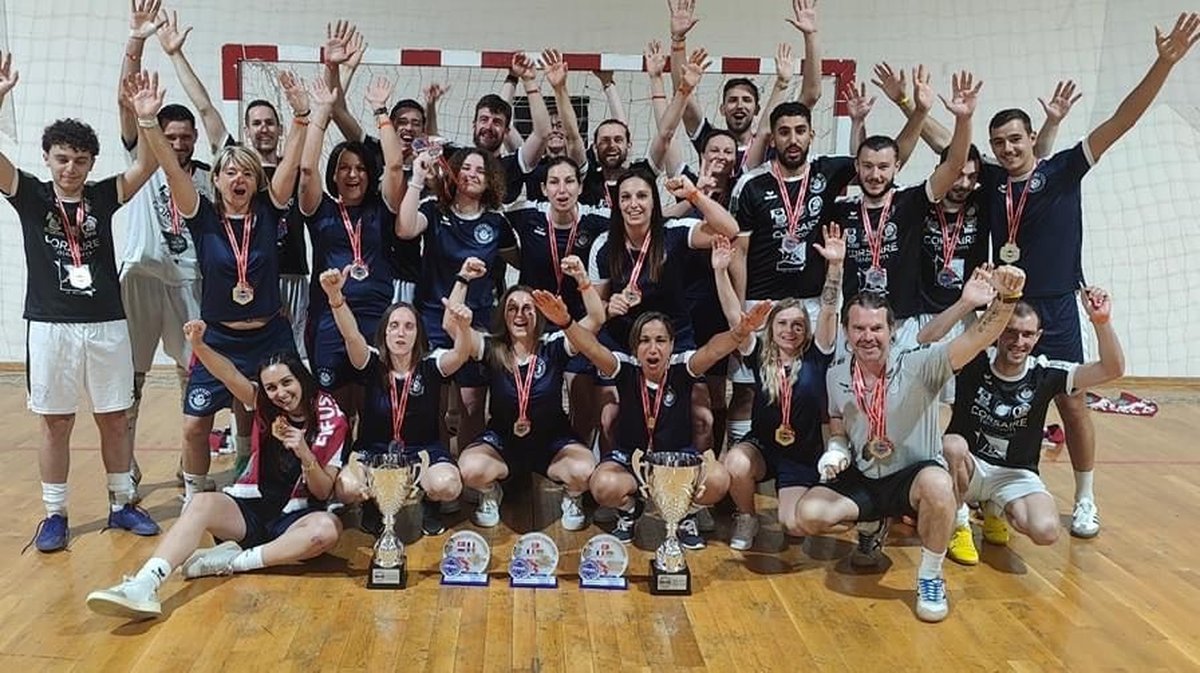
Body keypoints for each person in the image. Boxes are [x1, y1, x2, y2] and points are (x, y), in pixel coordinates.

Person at [881, 13, 1199, 537]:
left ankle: (1087, 497)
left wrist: (1162, 65)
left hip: (1054, 306)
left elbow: (1122, 119)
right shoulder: (987, 183)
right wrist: (906, 103)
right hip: (1000, 309)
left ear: (1032, 139)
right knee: (979, 401)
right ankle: (976, 494)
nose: (1007, 149)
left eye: (1014, 140)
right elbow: (950, 146)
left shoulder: (1065, 169)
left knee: (1072, 403)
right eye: (999, 142)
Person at [792, 264, 1028, 623]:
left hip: (913, 477)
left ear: (893, 330)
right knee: (808, 515)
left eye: (876, 328)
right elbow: (839, 422)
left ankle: (931, 576)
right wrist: (836, 449)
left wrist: (1007, 299)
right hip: (866, 477)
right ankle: (872, 526)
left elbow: (979, 337)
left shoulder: (922, 364)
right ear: (846, 332)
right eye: (858, 328)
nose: (867, 336)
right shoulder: (836, 374)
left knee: (938, 485)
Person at [1, 57, 160, 552]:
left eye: (80, 160)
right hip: (50, 326)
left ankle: (121, 503)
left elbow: (149, 164)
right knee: (56, 422)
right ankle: (54, 514)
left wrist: (145, 117)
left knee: (114, 417)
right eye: (62, 159)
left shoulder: (103, 195)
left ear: (91, 163)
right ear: (47, 158)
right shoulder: (28, 194)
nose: (71, 169)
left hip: (107, 323)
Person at [85, 322, 348, 621]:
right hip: (252, 510)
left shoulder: (329, 416)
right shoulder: (265, 404)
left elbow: (323, 490)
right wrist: (198, 346)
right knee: (200, 503)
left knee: (326, 531)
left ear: (301, 378)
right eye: (272, 387)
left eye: (287, 383)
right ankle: (144, 584)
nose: (281, 393)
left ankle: (235, 562)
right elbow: (229, 374)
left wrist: (303, 452)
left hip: (296, 520)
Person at [135, 68, 309, 504]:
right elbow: (173, 170)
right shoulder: (202, 216)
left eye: (246, 173)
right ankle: (196, 496)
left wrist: (303, 117)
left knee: (275, 417)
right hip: (219, 341)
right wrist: (148, 121)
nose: (238, 179)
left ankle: (268, 484)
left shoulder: (270, 212)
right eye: (229, 172)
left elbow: (289, 162)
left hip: (270, 335)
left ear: (256, 181)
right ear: (215, 180)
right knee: (195, 424)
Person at [560, 300, 771, 546]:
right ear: (635, 347)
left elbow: (713, 350)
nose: (653, 348)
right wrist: (566, 322)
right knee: (603, 485)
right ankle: (629, 511)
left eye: (660, 340)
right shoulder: (625, 368)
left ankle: (684, 514)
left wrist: (739, 332)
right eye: (644, 340)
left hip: (678, 462)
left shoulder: (683, 368)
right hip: (631, 460)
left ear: (671, 345)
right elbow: (592, 348)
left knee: (718, 479)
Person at [931, 282, 1124, 548]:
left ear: (1037, 337)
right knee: (951, 446)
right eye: (1010, 332)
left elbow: (1112, 369)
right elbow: (926, 341)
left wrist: (1101, 322)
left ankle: (995, 507)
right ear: (998, 332)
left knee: (1046, 531)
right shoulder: (972, 360)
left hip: (1014, 474)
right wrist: (965, 303)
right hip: (970, 467)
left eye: (1027, 334)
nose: (1018, 342)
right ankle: (960, 520)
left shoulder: (1045, 373)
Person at [117, 1, 212, 484]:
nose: (177, 144)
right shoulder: (143, 154)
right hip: (140, 276)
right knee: (131, 378)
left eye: (184, 137)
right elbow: (124, 99)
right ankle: (126, 464)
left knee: (192, 373)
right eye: (170, 135)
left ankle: (188, 463)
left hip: (188, 280)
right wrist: (137, 41)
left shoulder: (208, 179)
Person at [318, 268, 476, 537]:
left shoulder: (431, 363)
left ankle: (430, 502)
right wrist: (335, 296)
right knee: (345, 489)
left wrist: (463, 327)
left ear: (418, 333)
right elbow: (351, 335)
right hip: (373, 450)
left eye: (409, 326)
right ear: (385, 333)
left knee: (449, 485)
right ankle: (373, 504)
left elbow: (460, 354)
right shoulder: (370, 362)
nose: (401, 333)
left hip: (421, 451)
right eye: (394, 326)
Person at [829, 68, 980, 349]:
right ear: (857, 168)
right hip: (855, 323)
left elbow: (953, 164)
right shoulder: (840, 210)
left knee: (906, 393)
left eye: (884, 167)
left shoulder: (910, 202)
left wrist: (964, 119)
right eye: (868, 167)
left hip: (904, 325)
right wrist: (857, 124)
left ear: (896, 167)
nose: (875, 175)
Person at [449, 260, 605, 530]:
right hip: (503, 442)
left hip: (552, 443)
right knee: (469, 468)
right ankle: (490, 492)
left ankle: (573, 496)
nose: (520, 315)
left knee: (585, 470)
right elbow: (452, 326)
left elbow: (597, 318)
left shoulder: (554, 345)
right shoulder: (492, 348)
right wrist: (463, 279)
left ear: (540, 314)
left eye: (527, 308)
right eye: (512, 308)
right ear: (504, 315)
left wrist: (582, 278)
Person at [715, 226, 842, 550]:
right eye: (783, 323)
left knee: (794, 528)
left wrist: (835, 267)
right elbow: (734, 318)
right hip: (763, 448)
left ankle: (821, 497)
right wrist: (720, 272)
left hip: (801, 456)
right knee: (736, 463)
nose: (790, 330)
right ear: (772, 328)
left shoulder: (818, 355)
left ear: (806, 330)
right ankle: (747, 516)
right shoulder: (759, 353)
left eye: (797, 325)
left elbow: (828, 309)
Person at [398, 146, 517, 453]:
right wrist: (417, 179)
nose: (473, 174)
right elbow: (405, 229)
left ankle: (468, 474)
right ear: (454, 172)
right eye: (466, 167)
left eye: (480, 170)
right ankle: (438, 465)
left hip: (477, 322)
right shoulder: (434, 210)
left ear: (490, 179)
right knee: (431, 402)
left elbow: (521, 260)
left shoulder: (496, 222)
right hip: (433, 319)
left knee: (472, 404)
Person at [297, 77, 403, 419]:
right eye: (344, 168)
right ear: (334, 174)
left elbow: (396, 166)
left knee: (374, 406)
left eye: (359, 168)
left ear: (370, 175)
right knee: (336, 410)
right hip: (328, 317)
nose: (353, 174)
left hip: (375, 316)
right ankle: (336, 469)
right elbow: (306, 167)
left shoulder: (382, 208)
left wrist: (381, 112)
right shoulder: (321, 207)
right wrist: (322, 113)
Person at [504, 156, 610, 440]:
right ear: (543, 187)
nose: (562, 190)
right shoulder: (528, 215)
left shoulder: (598, 220)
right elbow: (491, 209)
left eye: (569, 181)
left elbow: (647, 219)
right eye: (554, 182)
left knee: (583, 403)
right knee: (529, 401)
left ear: (579, 186)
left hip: (578, 326)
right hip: (533, 328)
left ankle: (578, 462)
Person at [667, 0, 823, 172]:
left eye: (746, 100)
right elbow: (683, 100)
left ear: (757, 109)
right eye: (733, 100)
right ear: (722, 109)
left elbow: (811, 94)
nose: (740, 105)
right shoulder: (711, 140)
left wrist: (811, 36)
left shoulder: (772, 139)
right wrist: (678, 40)